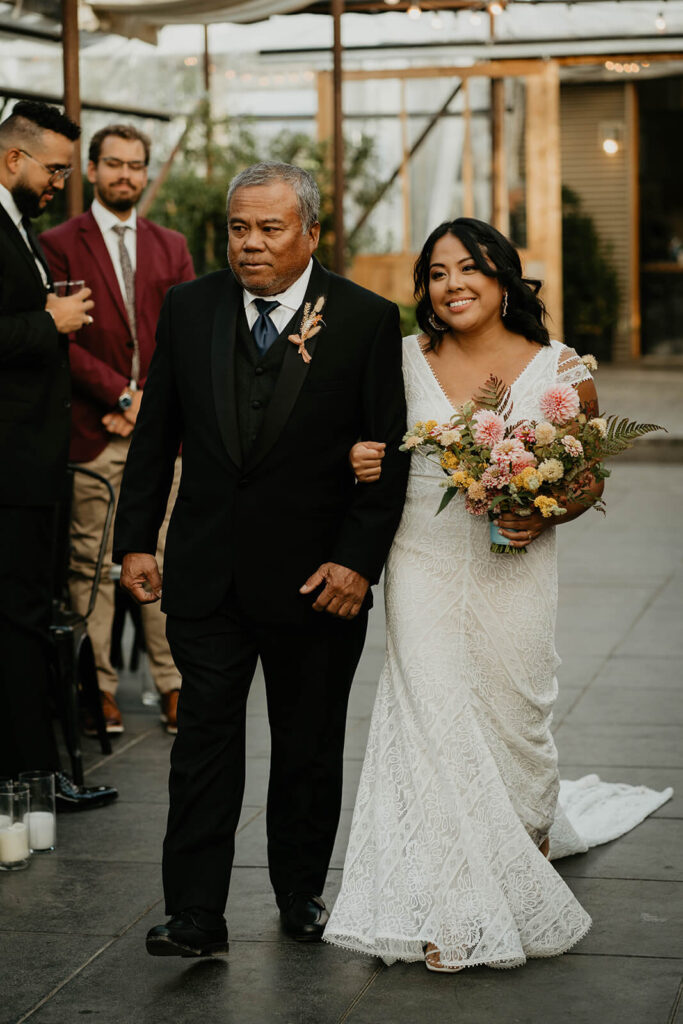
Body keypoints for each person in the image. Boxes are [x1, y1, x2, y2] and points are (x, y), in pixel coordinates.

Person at [324, 218, 670, 971]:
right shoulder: (401, 359)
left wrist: (540, 507)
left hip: (516, 566)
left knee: (516, 710)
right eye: (438, 272)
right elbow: (356, 438)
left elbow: (585, 477)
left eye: (469, 268)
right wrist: (355, 455)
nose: (452, 285)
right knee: (432, 718)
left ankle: (528, 826)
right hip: (420, 558)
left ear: (504, 276)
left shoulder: (562, 368)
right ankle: (453, 909)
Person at [111, 161, 409, 958]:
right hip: (207, 573)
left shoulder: (366, 319)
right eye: (240, 227)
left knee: (307, 744)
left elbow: (391, 454)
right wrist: (136, 537)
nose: (250, 244)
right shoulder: (189, 307)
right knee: (204, 743)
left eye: (270, 228)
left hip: (318, 583)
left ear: (311, 232)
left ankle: (300, 890)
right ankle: (195, 915)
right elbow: (156, 434)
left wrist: (356, 563)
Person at [40, 124, 195, 737]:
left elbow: (183, 336)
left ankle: (173, 684)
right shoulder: (57, 242)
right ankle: (97, 690)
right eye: (114, 165)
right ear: (93, 170)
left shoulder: (171, 245)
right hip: (93, 427)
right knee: (91, 567)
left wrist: (148, 404)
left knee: (163, 559)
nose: (126, 175)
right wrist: (120, 394)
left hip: (161, 432)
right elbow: (59, 337)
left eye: (136, 165)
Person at [0, 100, 117, 810]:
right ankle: (31, 779)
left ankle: (32, 772)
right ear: (13, 158)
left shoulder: (22, 227)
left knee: (27, 614)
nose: (59, 185)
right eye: (54, 169)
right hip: (8, 466)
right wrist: (48, 320)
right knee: (17, 616)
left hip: (33, 460)